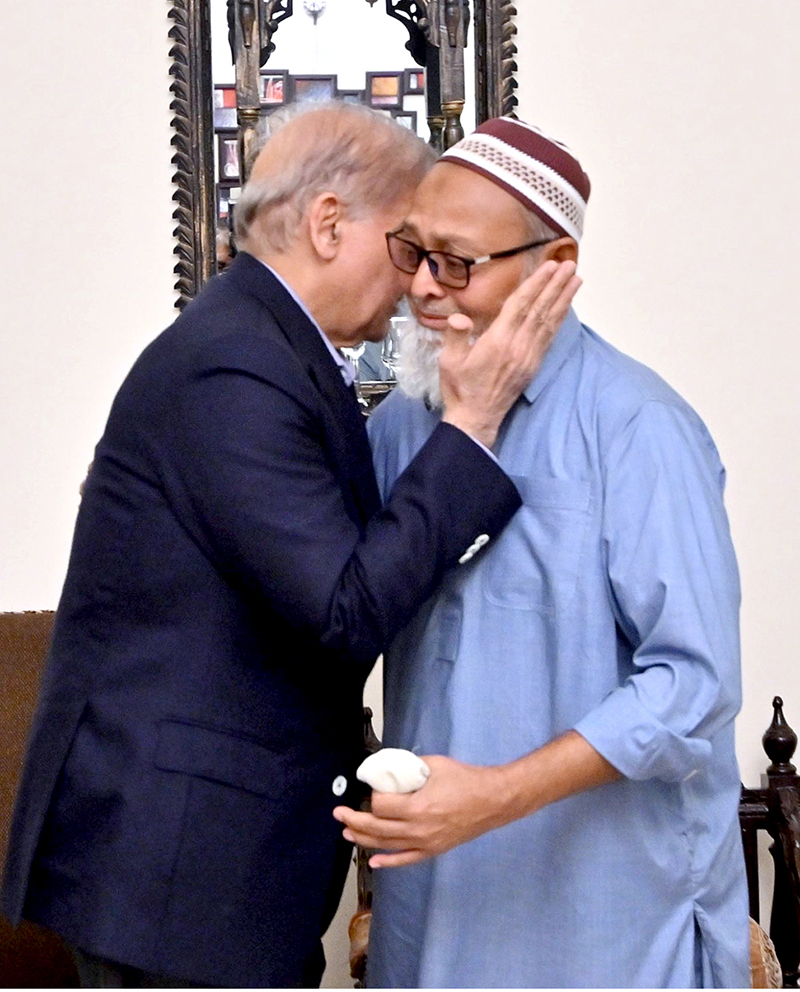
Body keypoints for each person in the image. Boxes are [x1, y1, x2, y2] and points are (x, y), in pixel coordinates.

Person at [1, 106, 580, 988]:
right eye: (404, 246)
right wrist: (472, 421)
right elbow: (344, 610)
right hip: (177, 881)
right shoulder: (234, 364)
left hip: (209, 869)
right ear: (328, 223)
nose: (418, 284)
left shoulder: (265, 347)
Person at [334, 117, 750, 988]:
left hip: (605, 920)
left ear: (553, 267)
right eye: (415, 252)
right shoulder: (409, 423)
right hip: (437, 906)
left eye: (459, 263)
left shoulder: (640, 429)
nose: (424, 291)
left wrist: (491, 797)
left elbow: (693, 686)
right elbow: (336, 589)